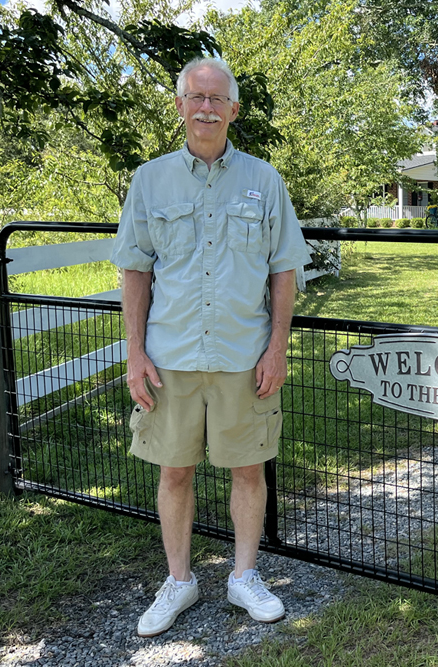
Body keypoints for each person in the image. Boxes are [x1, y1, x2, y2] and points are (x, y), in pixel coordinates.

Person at [110, 57, 312, 637]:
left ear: (233, 110)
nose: (205, 107)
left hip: (242, 357)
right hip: (169, 356)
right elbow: (135, 271)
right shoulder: (149, 181)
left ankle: (243, 576)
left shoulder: (265, 181)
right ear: (180, 105)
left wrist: (277, 347)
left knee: (248, 469)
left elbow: (283, 271)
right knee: (173, 472)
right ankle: (180, 581)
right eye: (196, 97)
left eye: (216, 99)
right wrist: (135, 351)